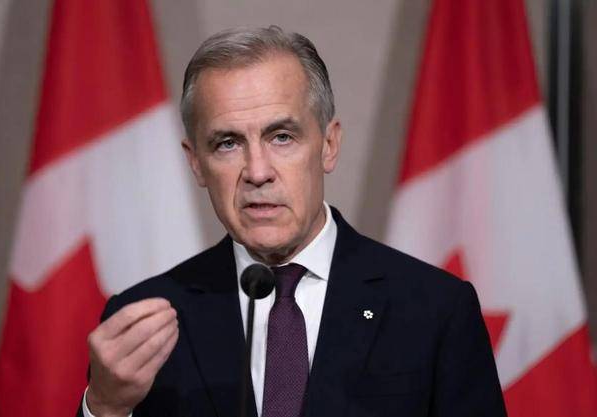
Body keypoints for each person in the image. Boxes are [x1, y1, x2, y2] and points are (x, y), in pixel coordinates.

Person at [78, 26, 506, 417]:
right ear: (196, 164)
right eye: (227, 144)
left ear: (328, 145)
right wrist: (105, 406)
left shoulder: (435, 310)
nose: (257, 171)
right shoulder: (144, 323)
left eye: (281, 137)